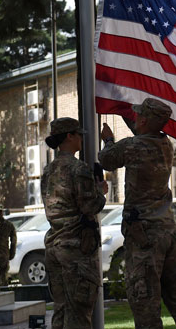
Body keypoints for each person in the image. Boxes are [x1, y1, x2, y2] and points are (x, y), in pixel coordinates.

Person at [98, 98, 176, 329]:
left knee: (145, 303)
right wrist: (125, 113)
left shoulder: (133, 146)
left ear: (145, 120)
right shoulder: (165, 144)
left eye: (139, 116)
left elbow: (107, 159)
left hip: (145, 237)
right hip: (168, 233)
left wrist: (108, 139)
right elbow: (140, 132)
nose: (135, 118)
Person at [41, 117, 107, 329]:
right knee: (79, 315)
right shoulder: (78, 169)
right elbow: (90, 206)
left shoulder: (49, 170)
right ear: (69, 136)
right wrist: (101, 191)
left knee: (60, 312)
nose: (81, 139)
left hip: (54, 247)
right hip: (75, 251)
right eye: (78, 134)